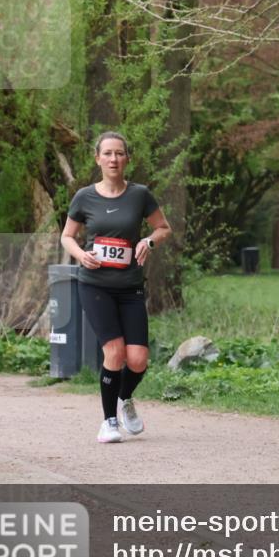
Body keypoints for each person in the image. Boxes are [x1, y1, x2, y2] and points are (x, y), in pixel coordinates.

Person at [60, 132, 172, 444]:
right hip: (95, 285)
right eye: (107, 153)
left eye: (119, 153)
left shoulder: (140, 195)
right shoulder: (84, 197)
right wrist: (81, 254)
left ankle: (124, 399)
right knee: (115, 352)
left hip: (130, 286)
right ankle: (108, 422)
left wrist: (149, 241)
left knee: (138, 359)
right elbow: (67, 236)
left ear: (127, 159)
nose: (113, 159)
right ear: (98, 159)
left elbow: (163, 228)